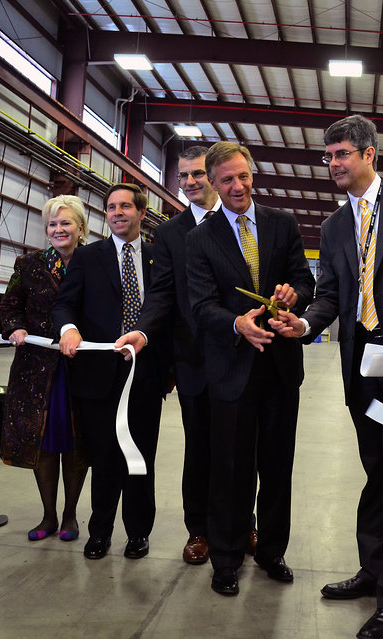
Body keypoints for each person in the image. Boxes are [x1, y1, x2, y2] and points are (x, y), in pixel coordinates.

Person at [270, 114, 383, 639]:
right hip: (361, 368)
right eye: (327, 156)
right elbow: (331, 294)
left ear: (369, 154)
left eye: (342, 154)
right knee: (377, 474)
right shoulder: (333, 227)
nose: (333, 164)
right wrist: (305, 323)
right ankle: (375, 572)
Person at [182, 141, 314, 596]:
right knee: (231, 470)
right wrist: (237, 324)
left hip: (280, 368)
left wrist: (295, 295)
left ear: (252, 173)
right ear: (212, 185)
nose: (237, 186)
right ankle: (227, 557)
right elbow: (199, 306)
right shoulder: (200, 239)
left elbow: (305, 279)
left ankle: (272, 551)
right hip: (231, 371)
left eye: (243, 176)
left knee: (278, 467)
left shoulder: (283, 224)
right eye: (226, 181)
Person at [120, 145, 256, 565]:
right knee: (199, 449)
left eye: (198, 173)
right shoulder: (170, 233)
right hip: (195, 361)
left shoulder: (243, 225)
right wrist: (142, 330)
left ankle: (242, 523)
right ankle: (199, 529)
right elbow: (162, 294)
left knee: (241, 449)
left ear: (214, 177)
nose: (191, 182)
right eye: (183, 176)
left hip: (243, 354)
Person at [52, 183, 171, 561]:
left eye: (125, 206)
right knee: (104, 457)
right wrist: (67, 329)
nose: (117, 212)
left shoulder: (159, 258)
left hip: (145, 377)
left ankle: (138, 533)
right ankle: (99, 531)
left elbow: (169, 314)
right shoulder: (88, 258)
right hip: (98, 378)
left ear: (142, 212)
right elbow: (64, 305)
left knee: (140, 458)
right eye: (111, 207)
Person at [0, 195, 90, 542]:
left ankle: (70, 516)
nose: (58, 229)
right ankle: (48, 515)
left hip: (80, 367)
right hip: (35, 369)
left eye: (65, 223)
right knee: (44, 441)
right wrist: (14, 327)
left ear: (81, 228)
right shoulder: (29, 263)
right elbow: (9, 305)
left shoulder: (94, 262)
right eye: (52, 224)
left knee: (78, 442)